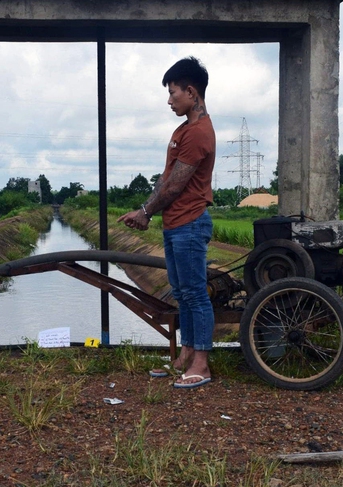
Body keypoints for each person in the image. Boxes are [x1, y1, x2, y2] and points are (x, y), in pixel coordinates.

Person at [117, 56, 216, 389]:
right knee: (183, 293)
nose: (169, 100)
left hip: (190, 223)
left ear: (192, 91)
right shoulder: (182, 130)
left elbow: (176, 185)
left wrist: (145, 213)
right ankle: (187, 353)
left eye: (174, 93)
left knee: (195, 294)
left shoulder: (199, 132)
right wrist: (145, 209)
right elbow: (166, 178)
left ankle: (201, 364)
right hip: (176, 224)